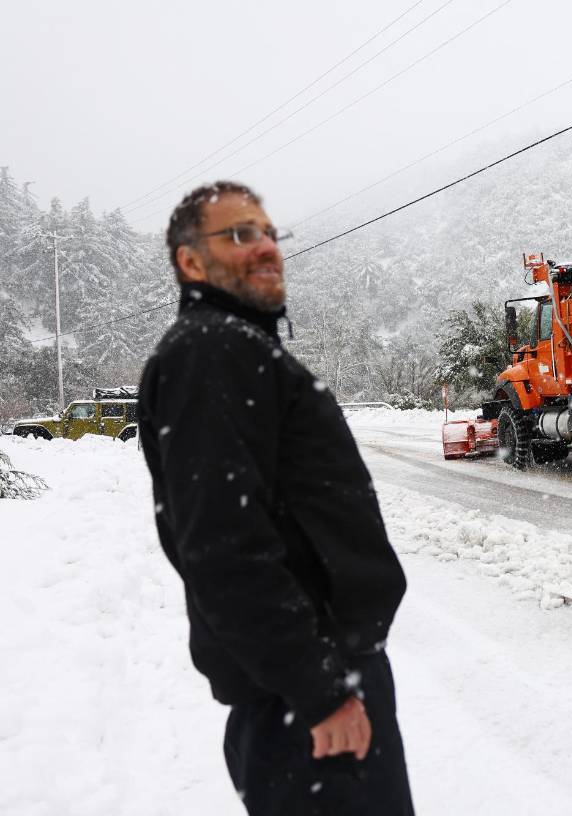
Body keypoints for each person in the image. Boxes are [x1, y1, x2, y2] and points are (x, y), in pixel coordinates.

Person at [137, 181, 414, 815]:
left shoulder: (241, 349)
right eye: (239, 234)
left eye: (268, 232)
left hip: (319, 683)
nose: (265, 246)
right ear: (190, 261)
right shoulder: (210, 351)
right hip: (305, 704)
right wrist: (318, 692)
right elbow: (223, 548)